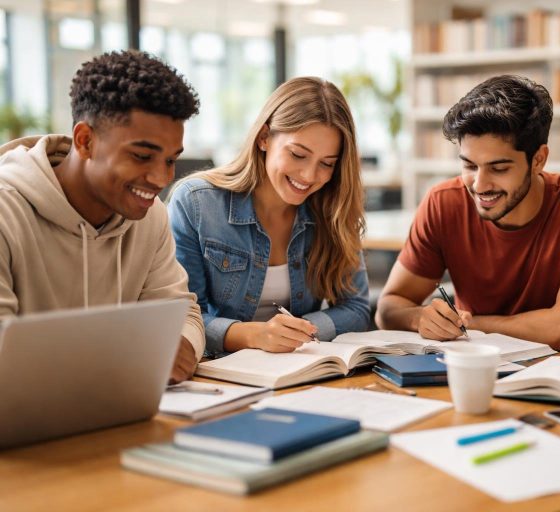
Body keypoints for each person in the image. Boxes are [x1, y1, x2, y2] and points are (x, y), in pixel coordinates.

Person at [0, 50, 204, 383]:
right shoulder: (6, 210)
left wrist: (179, 345)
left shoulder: (150, 217)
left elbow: (181, 312)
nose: (160, 179)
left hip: (118, 411)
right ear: (85, 141)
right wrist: (131, 355)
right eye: (141, 156)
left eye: (170, 160)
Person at [375, 75, 560, 349]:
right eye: (469, 166)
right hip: (470, 366)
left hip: (557, 372)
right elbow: (387, 309)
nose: (479, 185)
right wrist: (419, 318)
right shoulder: (444, 202)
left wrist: (472, 325)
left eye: (499, 168)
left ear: (538, 159)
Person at [168, 77, 369, 357]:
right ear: (264, 138)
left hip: (297, 368)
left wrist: (298, 332)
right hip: (218, 371)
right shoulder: (197, 203)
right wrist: (254, 335)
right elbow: (182, 319)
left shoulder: (333, 207)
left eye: (326, 164)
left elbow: (357, 308)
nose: (309, 176)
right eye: (298, 155)